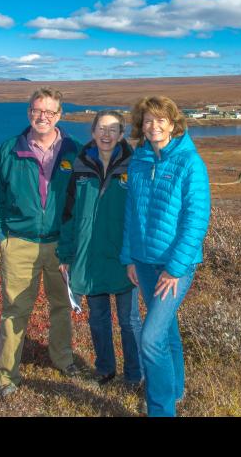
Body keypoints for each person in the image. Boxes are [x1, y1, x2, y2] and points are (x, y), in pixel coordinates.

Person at [0, 88, 81, 400]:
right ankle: (7, 374)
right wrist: (1, 237)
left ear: (60, 115)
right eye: (37, 111)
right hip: (20, 243)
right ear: (29, 112)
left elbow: (84, 199)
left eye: (49, 112)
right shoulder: (8, 150)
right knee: (15, 310)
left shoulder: (74, 152)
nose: (43, 117)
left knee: (61, 306)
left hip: (60, 245)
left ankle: (63, 359)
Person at [120, 95, 211, 417]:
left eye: (160, 120)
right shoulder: (140, 160)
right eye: (147, 120)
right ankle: (176, 390)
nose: (153, 126)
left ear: (173, 124)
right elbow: (131, 212)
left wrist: (174, 268)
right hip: (143, 262)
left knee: (151, 337)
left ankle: (160, 410)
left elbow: (196, 219)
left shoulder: (189, 162)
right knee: (166, 329)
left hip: (175, 265)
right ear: (140, 126)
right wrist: (129, 257)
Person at [56, 110, 143, 388]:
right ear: (92, 132)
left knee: (129, 321)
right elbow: (68, 215)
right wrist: (66, 254)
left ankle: (135, 374)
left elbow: (141, 215)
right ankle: (105, 369)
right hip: (89, 256)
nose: (106, 135)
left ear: (121, 135)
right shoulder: (79, 165)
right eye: (101, 129)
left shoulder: (134, 165)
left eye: (113, 129)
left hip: (124, 257)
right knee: (98, 319)